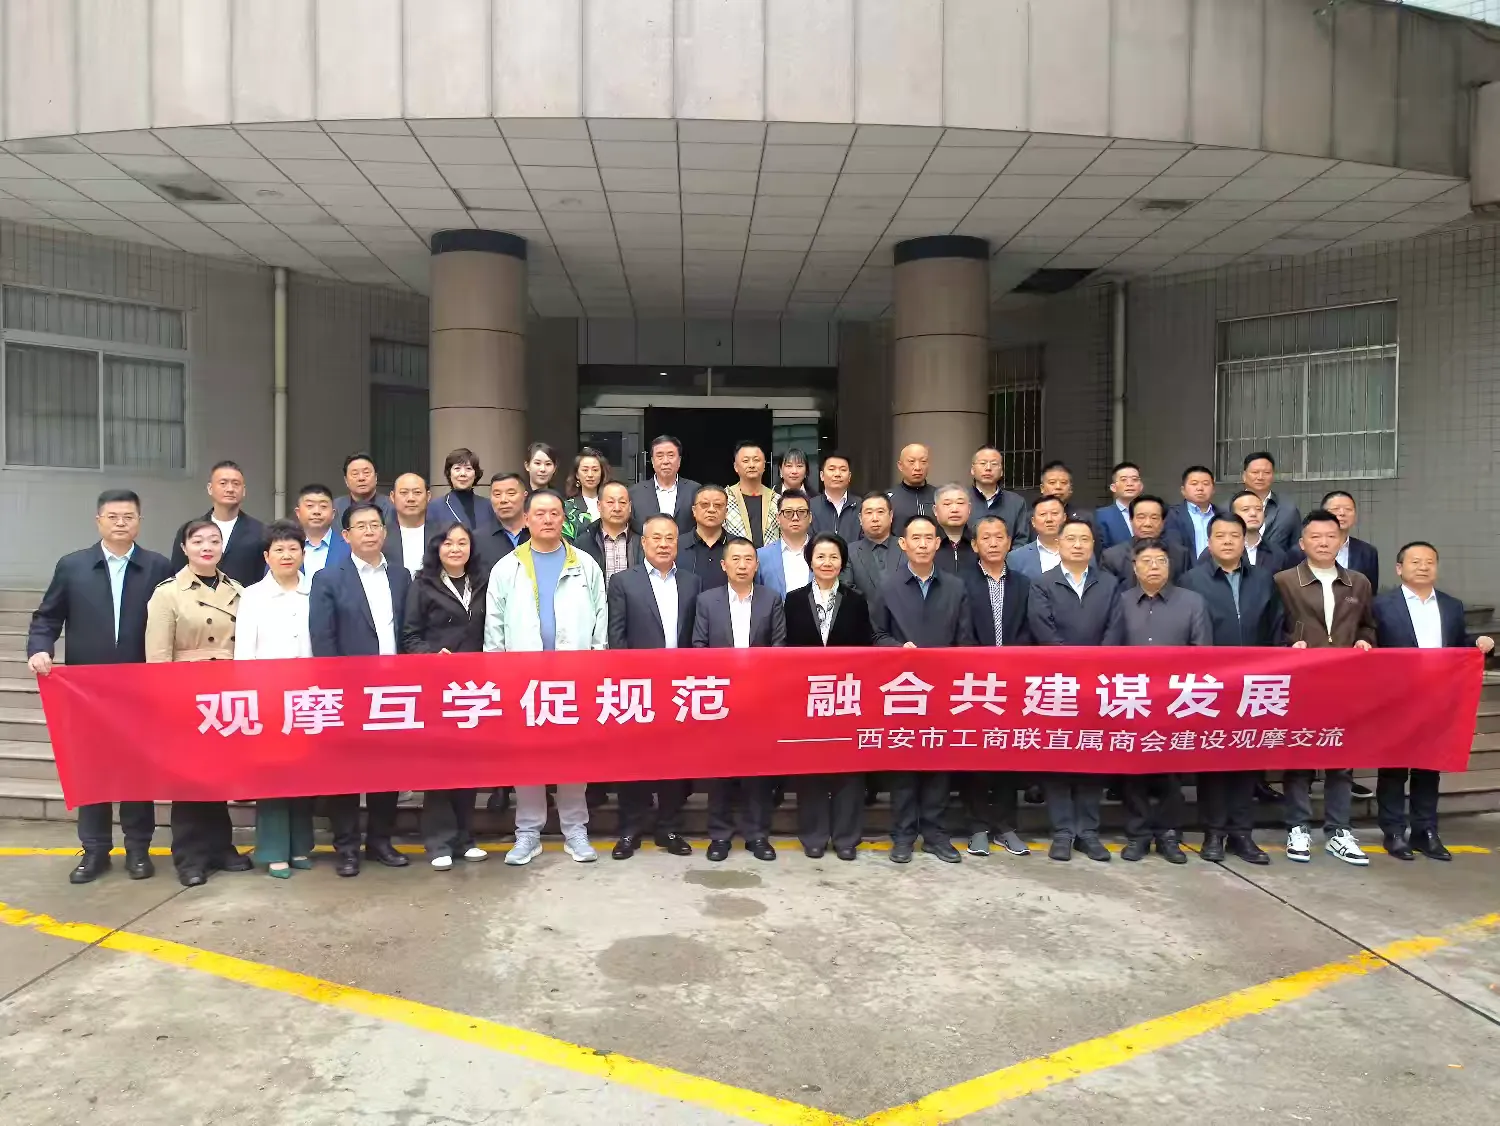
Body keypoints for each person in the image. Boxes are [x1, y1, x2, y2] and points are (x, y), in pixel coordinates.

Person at [28, 489, 174, 885]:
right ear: (99, 521)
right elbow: (47, 616)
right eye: (113, 516)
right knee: (92, 770)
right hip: (86, 691)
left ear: (139, 521)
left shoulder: (157, 567)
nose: (121, 523)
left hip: (140, 690)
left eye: (129, 516)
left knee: (136, 772)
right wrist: (40, 648)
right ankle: (94, 850)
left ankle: (138, 849)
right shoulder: (73, 566)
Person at [485, 489, 607, 866]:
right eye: (539, 513)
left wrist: (596, 668)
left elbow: (600, 621)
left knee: (573, 754)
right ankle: (528, 832)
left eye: (554, 513)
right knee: (527, 756)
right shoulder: (507, 567)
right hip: (524, 680)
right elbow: (494, 628)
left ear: (563, 519)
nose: (548, 519)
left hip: (574, 677)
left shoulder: (585, 564)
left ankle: (575, 829)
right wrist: (499, 675)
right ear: (526, 519)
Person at [1372, 542, 1493, 861]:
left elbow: (1458, 644)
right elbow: (1371, 643)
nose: (1423, 567)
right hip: (1396, 699)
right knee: (1394, 769)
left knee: (1428, 768)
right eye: (1415, 561)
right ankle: (1393, 831)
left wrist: (1479, 643)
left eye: (1429, 562)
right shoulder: (1381, 605)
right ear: (1399, 568)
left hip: (1438, 698)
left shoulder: (1451, 606)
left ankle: (1425, 831)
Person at [309, 501, 412, 877]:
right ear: (346, 535)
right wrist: (337, 687)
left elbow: (408, 630)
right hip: (348, 690)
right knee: (347, 773)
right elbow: (323, 638)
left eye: (375, 525)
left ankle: (381, 841)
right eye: (361, 526)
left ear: (385, 532)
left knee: (388, 771)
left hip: (393, 690)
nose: (369, 532)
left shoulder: (400, 575)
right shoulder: (327, 578)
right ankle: (347, 847)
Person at [1273, 509, 1377, 867]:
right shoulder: (1284, 581)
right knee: (1299, 757)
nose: (1323, 543)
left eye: (1330, 536)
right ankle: (1297, 826)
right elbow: (1273, 627)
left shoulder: (1358, 583)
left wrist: (1365, 641)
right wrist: (1289, 644)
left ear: (1341, 541)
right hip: (1300, 682)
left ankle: (1339, 830)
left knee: (1341, 760)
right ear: (1302, 543)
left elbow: (1368, 625)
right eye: (1315, 537)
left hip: (1344, 683)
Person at [148, 521, 249, 887]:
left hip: (228, 693)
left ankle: (221, 848)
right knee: (189, 779)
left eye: (214, 540)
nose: (207, 546)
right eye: (198, 540)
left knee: (219, 776)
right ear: (184, 547)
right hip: (186, 692)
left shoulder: (238, 590)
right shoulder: (168, 593)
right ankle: (190, 857)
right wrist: (166, 701)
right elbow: (158, 655)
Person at [1178, 513, 1282, 866]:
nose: (1227, 541)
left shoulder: (1263, 580)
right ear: (1208, 542)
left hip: (1254, 684)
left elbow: (1275, 628)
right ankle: (1214, 832)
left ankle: (1242, 833)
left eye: (1234, 535)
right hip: (1211, 685)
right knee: (1213, 762)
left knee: (1246, 760)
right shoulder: (1192, 580)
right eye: (1220, 535)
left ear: (1244, 540)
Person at [872, 515, 976, 865]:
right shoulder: (887, 586)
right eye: (915, 537)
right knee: (903, 764)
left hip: (943, 690)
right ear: (903, 544)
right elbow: (876, 635)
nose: (922, 544)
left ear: (937, 543)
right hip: (902, 691)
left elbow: (965, 640)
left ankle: (934, 834)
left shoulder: (955, 587)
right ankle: (902, 835)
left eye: (928, 537)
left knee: (938, 764)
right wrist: (897, 650)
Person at [606, 514, 703, 860]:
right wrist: (627, 680)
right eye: (656, 538)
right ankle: (630, 829)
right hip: (638, 688)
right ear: (643, 542)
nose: (663, 544)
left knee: (675, 761)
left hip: (679, 688)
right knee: (633, 760)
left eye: (670, 538)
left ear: (678, 543)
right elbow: (616, 636)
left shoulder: (692, 582)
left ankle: (669, 827)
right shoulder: (623, 581)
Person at [1028, 518, 1125, 863]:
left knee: (1092, 756)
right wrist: (1072, 666)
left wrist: (1096, 666)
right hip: (1058, 684)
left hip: (1098, 684)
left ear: (1093, 545)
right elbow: (1043, 629)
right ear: (1059, 544)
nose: (1078, 545)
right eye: (1071, 539)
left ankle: (1088, 832)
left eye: (1085, 539)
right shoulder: (1042, 583)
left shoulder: (1109, 584)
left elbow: (1115, 629)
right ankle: (1062, 832)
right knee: (1057, 757)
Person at [1116, 539, 1211, 865]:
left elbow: (1202, 652)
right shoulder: (1122, 601)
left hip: (1177, 700)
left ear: (1170, 566)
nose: (1154, 567)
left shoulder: (1192, 602)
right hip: (1132, 699)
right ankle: (1138, 834)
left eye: (1160, 561)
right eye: (1146, 561)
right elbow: (1110, 650)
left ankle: (1170, 834)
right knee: (1133, 772)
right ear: (1135, 567)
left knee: (1171, 773)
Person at [692, 537, 786, 862]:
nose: (742, 565)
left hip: (759, 698)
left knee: (757, 773)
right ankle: (719, 836)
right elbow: (699, 647)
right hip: (720, 698)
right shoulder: (707, 601)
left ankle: (757, 835)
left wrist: (758, 682)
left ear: (756, 565)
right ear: (724, 565)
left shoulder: (771, 599)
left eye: (748, 559)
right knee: (720, 772)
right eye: (736, 559)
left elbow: (779, 646)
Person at [402, 522, 490, 871]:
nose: (455, 549)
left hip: (475, 688)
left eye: (462, 543)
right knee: (441, 766)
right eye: (448, 543)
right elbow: (410, 637)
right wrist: (431, 656)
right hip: (437, 686)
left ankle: (465, 838)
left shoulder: (482, 583)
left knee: (470, 765)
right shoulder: (422, 585)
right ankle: (439, 840)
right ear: (437, 548)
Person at [785, 532, 873, 861]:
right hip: (807, 697)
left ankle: (847, 837)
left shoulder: (856, 600)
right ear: (810, 561)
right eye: (820, 556)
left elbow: (866, 649)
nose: (827, 562)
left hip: (847, 696)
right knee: (811, 765)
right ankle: (814, 835)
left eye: (833, 557)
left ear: (842, 562)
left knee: (849, 766)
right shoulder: (793, 600)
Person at [235, 520, 315, 879]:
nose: (286, 555)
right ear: (267, 556)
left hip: (309, 699)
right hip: (268, 699)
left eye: (293, 549)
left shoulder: (315, 590)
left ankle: (300, 846)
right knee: (273, 776)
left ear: (303, 553)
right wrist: (252, 697)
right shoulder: (253, 596)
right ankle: (274, 850)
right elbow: (244, 654)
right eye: (279, 549)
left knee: (304, 775)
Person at [959, 516, 1033, 858]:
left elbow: (1029, 629)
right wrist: (984, 664)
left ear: (1009, 543)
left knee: (1008, 752)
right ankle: (976, 826)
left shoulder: (1024, 584)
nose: (992, 542)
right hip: (975, 681)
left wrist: (1012, 664)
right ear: (975, 545)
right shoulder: (960, 583)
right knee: (975, 755)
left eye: (999, 537)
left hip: (1014, 681)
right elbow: (962, 632)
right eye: (985, 537)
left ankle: (1005, 826)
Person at [171, 460, 266, 587]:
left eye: (236, 484)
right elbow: (178, 573)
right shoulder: (190, 530)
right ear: (210, 488)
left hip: (244, 598)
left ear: (243, 491)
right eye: (223, 483)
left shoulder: (260, 532)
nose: (230, 489)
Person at [1286, 491, 1379, 591]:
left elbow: (1370, 592)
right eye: (1335, 509)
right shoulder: (1299, 551)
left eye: (1348, 509)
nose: (1342, 513)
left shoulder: (1367, 552)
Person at [1100, 496, 1193, 587]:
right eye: (1141, 517)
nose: (1147, 524)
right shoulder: (1112, 557)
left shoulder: (1180, 555)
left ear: (1163, 522)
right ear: (1131, 520)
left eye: (1154, 518)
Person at [629, 434, 698, 533]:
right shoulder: (635, 492)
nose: (665, 461)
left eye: (671, 455)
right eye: (660, 456)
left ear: (679, 460)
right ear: (652, 461)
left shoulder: (695, 490)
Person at [1206, 490, 1285, 574]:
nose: (1253, 513)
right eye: (1245, 509)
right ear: (1233, 515)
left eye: (1258, 509)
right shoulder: (1216, 551)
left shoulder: (1277, 553)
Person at [576, 480, 641, 581]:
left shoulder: (643, 540)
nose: (617, 508)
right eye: (610, 502)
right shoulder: (584, 542)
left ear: (630, 507)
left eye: (622, 502)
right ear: (599, 506)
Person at [1241, 451, 1301, 556]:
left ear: (1273, 476)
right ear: (1244, 476)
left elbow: (1296, 547)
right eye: (1255, 472)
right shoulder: (1227, 508)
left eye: (1266, 472)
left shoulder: (1288, 510)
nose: (1260, 477)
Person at [428, 447, 497, 537]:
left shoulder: (489, 506)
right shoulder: (435, 507)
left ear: (475, 474)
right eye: (457, 468)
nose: (463, 474)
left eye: (468, 468)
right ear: (449, 473)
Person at [756, 487, 812, 597]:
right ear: (778, 517)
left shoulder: (822, 553)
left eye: (801, 512)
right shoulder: (761, 556)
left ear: (810, 517)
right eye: (788, 512)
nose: (795, 518)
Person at [847, 494, 896, 618]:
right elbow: (847, 591)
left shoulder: (907, 547)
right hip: (864, 622)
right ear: (860, 518)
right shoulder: (848, 552)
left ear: (891, 516)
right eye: (869, 512)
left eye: (880, 512)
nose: (875, 518)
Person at [724, 440, 779, 548]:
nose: (751, 465)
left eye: (756, 460)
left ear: (764, 465)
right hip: (736, 557)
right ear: (735, 467)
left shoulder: (777, 499)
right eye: (746, 461)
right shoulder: (724, 498)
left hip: (770, 557)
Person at [968, 447, 1028, 543]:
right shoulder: (960, 500)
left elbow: (1021, 540)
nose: (988, 468)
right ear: (972, 470)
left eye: (994, 464)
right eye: (983, 463)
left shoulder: (1016, 502)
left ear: (1002, 471)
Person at [474, 471, 530, 574]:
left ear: (524, 496)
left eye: (511, 494)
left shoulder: (539, 534)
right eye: (497, 494)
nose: (503, 500)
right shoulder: (477, 540)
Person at [678, 484, 730, 589]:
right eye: (704, 504)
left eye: (718, 505)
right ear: (694, 510)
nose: (711, 510)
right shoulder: (676, 546)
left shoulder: (738, 547)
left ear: (726, 512)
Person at [295, 482, 349, 576]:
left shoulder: (349, 548)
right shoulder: (283, 548)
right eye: (310, 506)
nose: (316, 512)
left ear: (333, 514)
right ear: (298, 513)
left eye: (323, 506)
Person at [1005, 495, 1065, 580]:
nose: (1049, 519)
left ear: (1064, 518)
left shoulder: (1080, 551)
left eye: (1054, 513)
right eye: (1043, 514)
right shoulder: (1016, 557)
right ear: (1033, 522)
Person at [1163, 465, 1217, 558]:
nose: (1200, 488)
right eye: (1194, 484)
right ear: (1183, 490)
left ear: (1213, 490)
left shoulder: (1223, 515)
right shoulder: (1172, 515)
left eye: (1206, 484)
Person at [810, 451, 861, 542]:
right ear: (822, 476)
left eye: (843, 470)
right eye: (832, 469)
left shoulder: (861, 506)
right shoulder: (810, 506)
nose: (837, 474)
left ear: (849, 477)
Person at [333, 451, 395, 525]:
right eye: (355, 474)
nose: (361, 478)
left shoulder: (393, 506)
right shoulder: (334, 507)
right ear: (346, 480)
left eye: (366, 472)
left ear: (376, 477)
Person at [1094, 462, 1144, 552]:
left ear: (1141, 486)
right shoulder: (1101, 516)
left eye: (1135, 479)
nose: (1130, 484)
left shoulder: (1156, 512)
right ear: (1113, 487)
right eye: (1124, 480)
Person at [887, 442, 935, 534]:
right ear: (900, 466)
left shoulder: (939, 496)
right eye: (911, 461)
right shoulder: (888, 499)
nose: (917, 467)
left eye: (923, 461)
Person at [388, 471, 430, 575]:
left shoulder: (443, 534)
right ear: (392, 497)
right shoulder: (381, 535)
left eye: (417, 492)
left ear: (428, 496)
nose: (411, 499)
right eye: (404, 493)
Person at [563, 446, 611, 535]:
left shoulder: (612, 504)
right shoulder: (567, 507)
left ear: (602, 473)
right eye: (585, 470)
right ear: (577, 474)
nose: (590, 475)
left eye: (595, 470)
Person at [932, 484, 977, 575]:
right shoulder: (927, 544)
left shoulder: (979, 542)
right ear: (935, 510)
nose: (954, 509)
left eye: (960, 503)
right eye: (947, 504)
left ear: (969, 508)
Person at [1036, 461, 1093, 527]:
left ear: (1070, 489)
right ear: (1042, 488)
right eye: (1052, 482)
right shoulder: (1030, 518)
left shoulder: (1084, 517)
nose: (1058, 487)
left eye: (1063, 482)